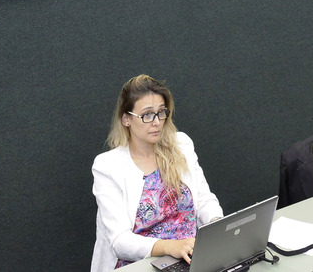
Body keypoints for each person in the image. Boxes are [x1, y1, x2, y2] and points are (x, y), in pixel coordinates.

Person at [91, 75, 223, 272]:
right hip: (141, 264)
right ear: (126, 119)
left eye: (161, 112)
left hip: (190, 257)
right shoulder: (108, 166)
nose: (157, 122)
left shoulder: (181, 145)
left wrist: (217, 225)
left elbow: (204, 200)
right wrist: (170, 247)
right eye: (147, 115)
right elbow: (120, 241)